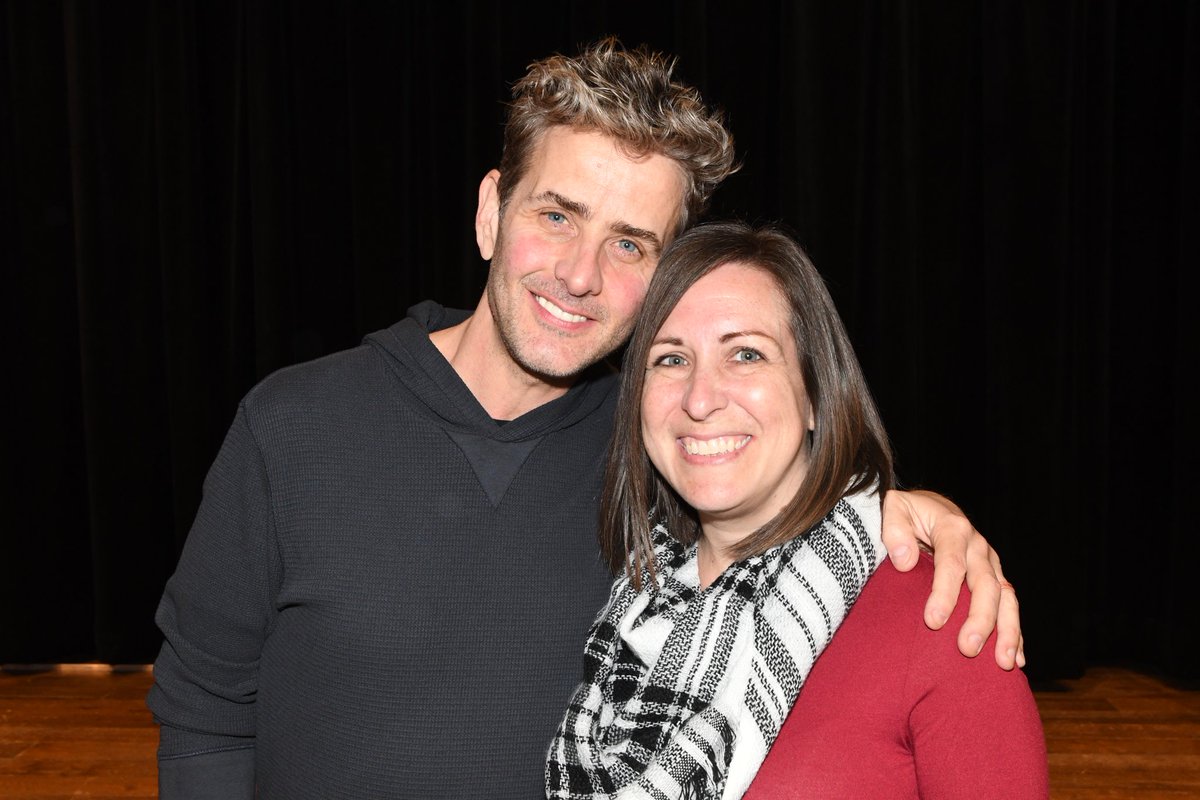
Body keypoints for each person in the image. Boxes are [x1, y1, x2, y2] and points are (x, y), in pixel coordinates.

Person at [148, 40, 1022, 799]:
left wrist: (905, 511)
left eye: (630, 244)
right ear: (492, 211)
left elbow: (783, 522)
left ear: (666, 276)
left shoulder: (664, 449)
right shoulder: (293, 425)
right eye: (556, 215)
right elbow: (205, 709)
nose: (579, 274)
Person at [546, 221, 1046, 799]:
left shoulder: (940, 614)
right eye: (670, 359)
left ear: (814, 394)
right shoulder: (616, 596)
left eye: (746, 354)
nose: (700, 398)